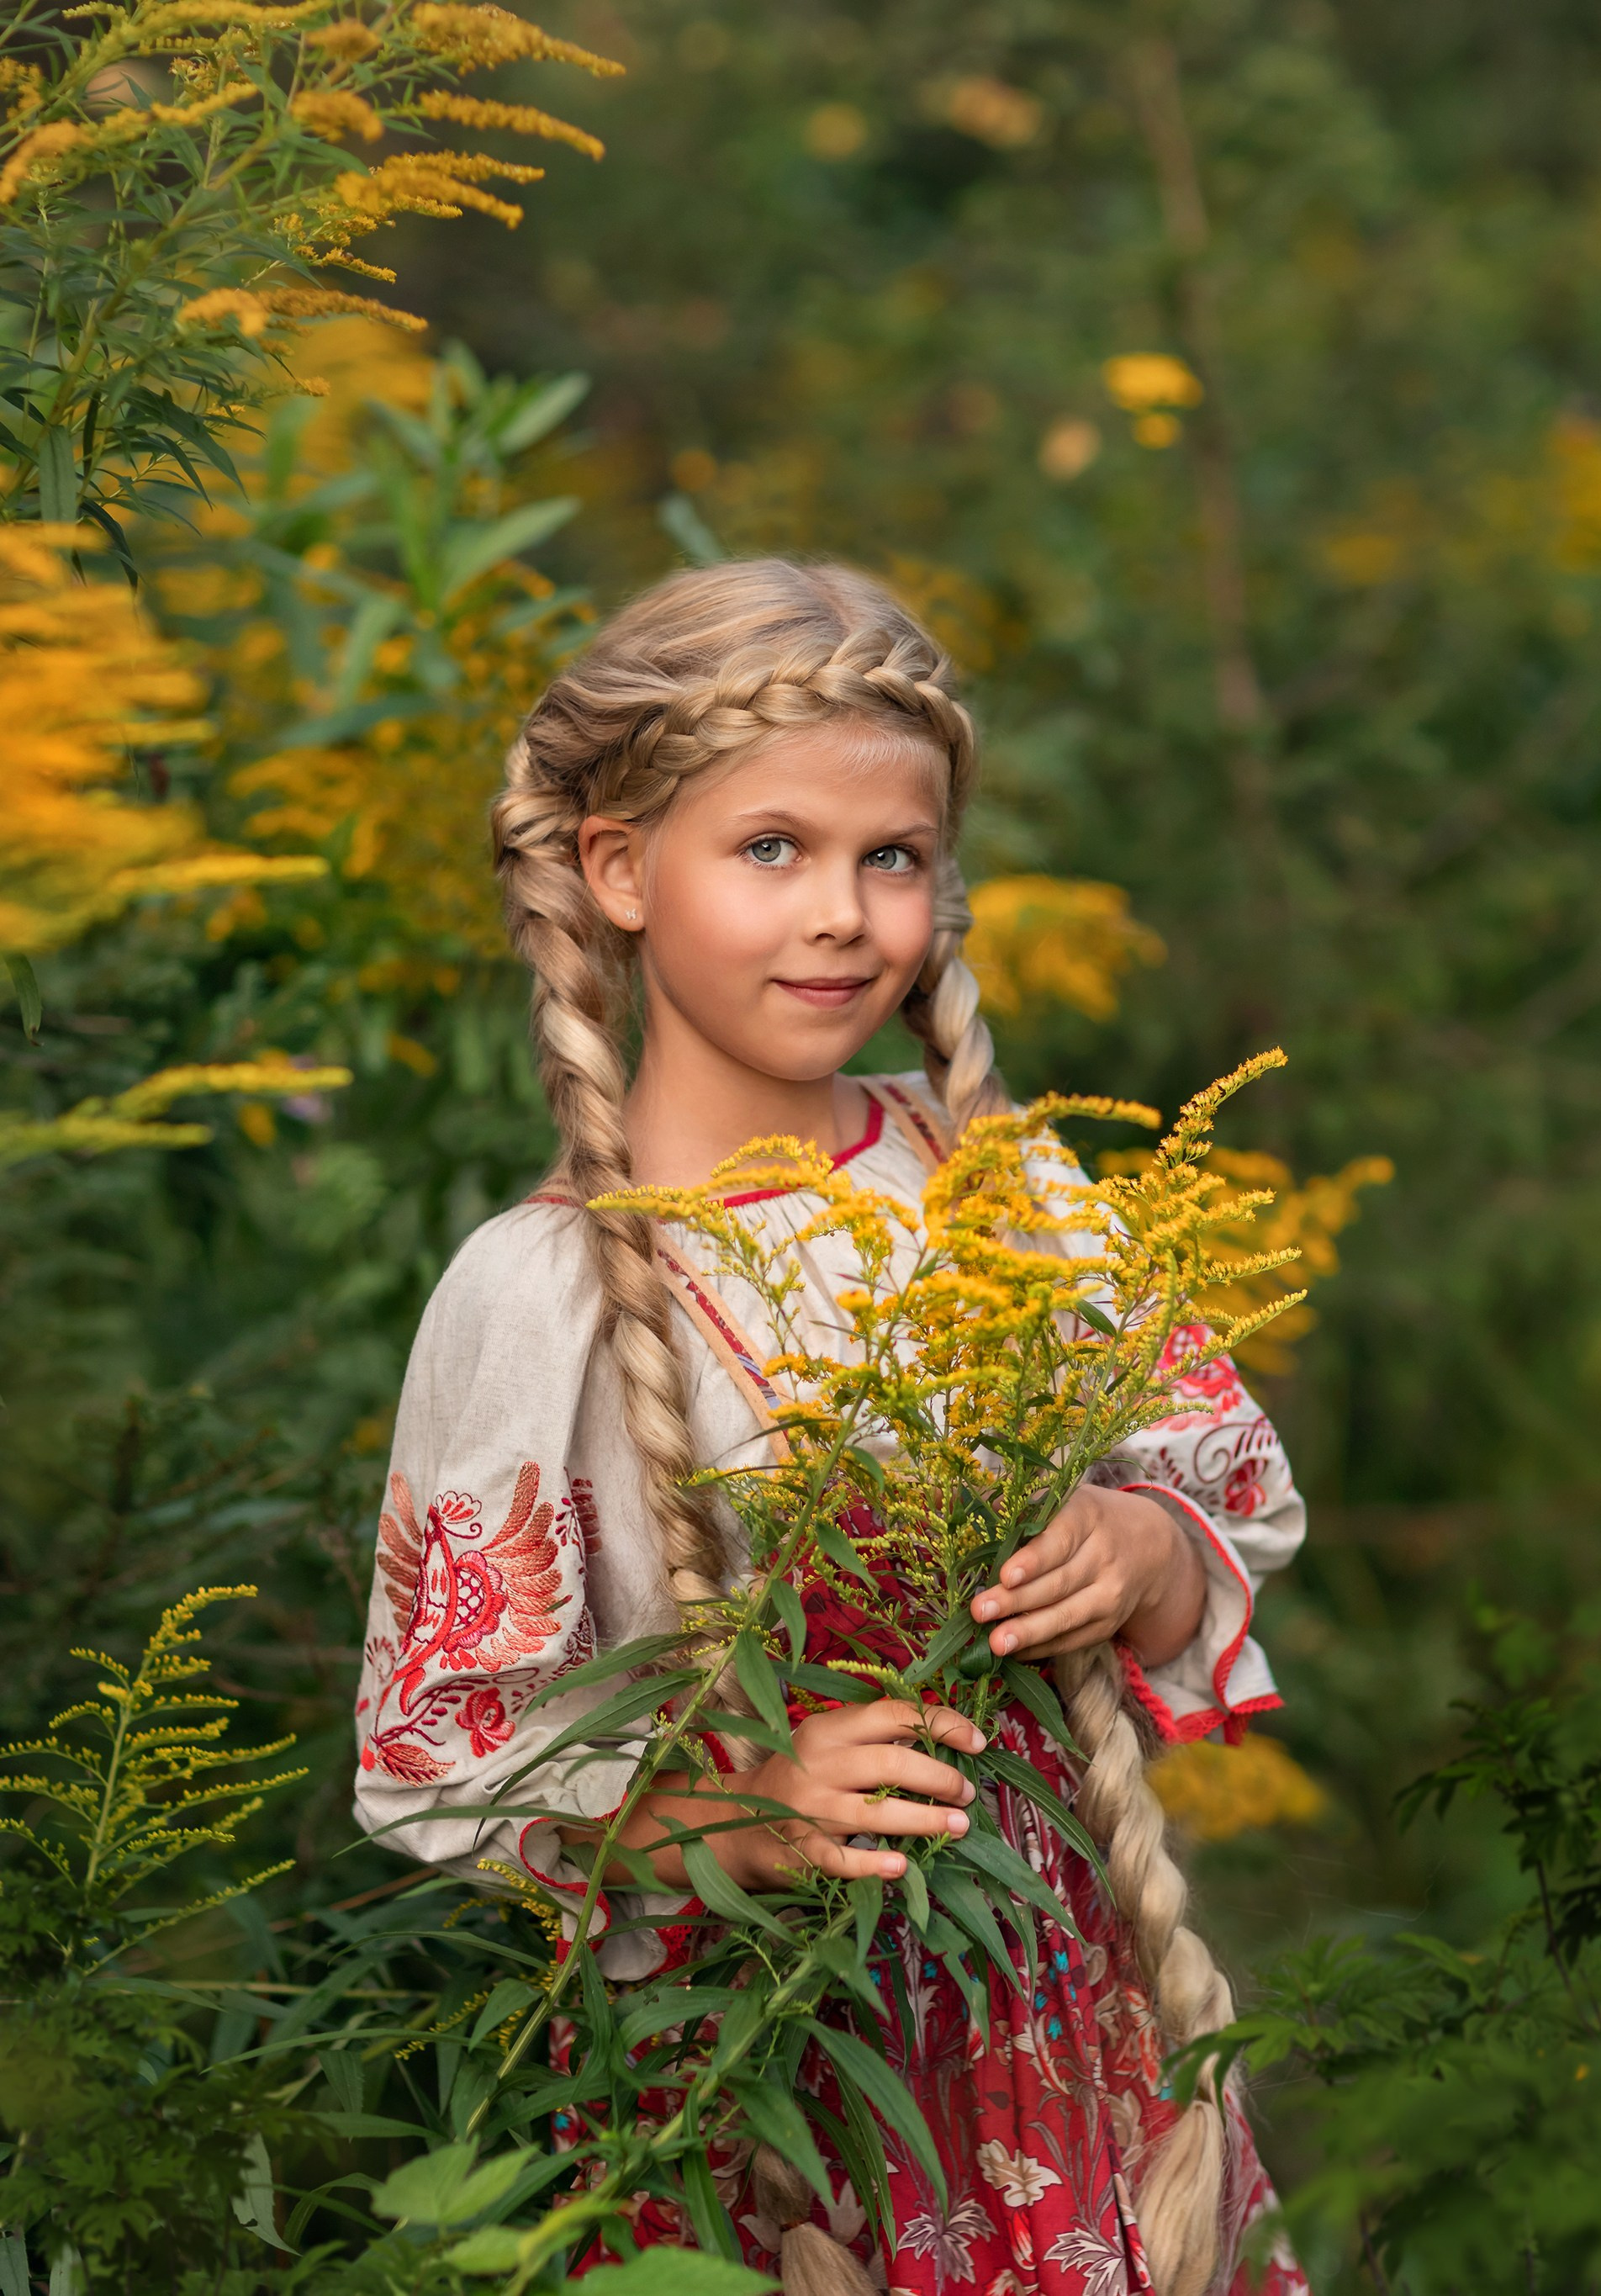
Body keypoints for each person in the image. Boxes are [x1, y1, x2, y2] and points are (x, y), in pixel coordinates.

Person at [352, 559, 1309, 2296]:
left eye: (893, 859)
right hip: (754, 2078)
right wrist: (730, 1812)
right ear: (618, 868)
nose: (842, 916)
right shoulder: (539, 1293)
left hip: (1056, 2012)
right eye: (770, 848)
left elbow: (1228, 1506)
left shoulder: (1011, 1195)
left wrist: (1140, 1547)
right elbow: (440, 1745)